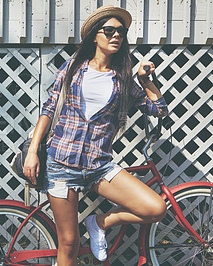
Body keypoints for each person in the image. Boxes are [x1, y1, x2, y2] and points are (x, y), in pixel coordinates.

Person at [23, 5, 168, 265]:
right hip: (61, 166)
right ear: (95, 36)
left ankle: (100, 222)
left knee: (155, 208)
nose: (116, 36)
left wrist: (145, 81)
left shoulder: (122, 79)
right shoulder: (73, 68)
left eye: (120, 32)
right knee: (69, 243)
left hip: (99, 167)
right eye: (109, 30)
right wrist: (33, 151)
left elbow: (159, 110)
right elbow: (49, 109)